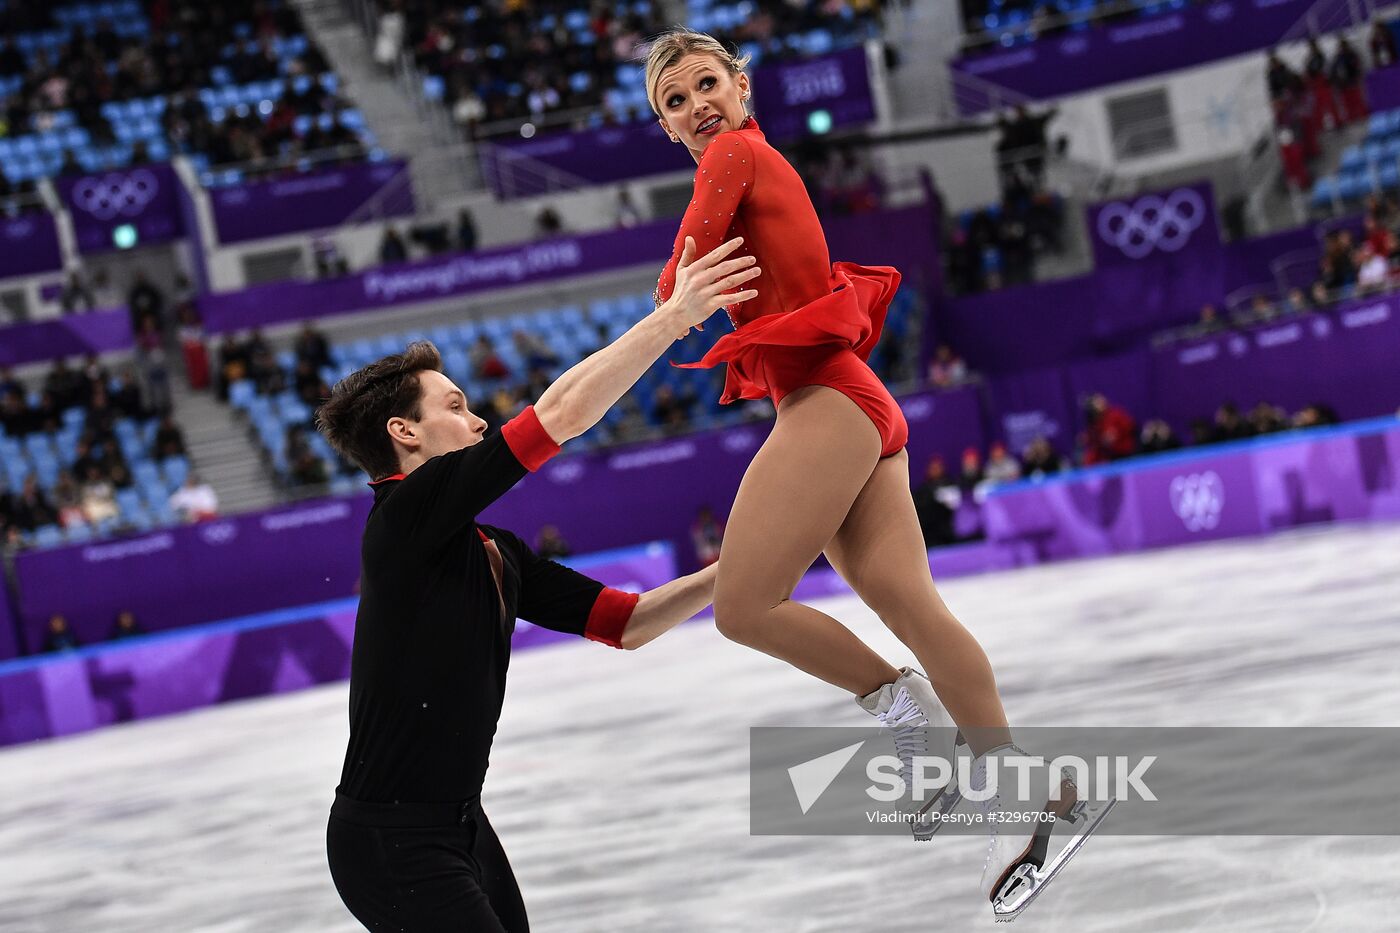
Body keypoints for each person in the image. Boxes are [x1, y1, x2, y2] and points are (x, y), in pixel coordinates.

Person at [646, 30, 1080, 914]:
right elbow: (687, 283)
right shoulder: (740, 158)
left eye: (704, 85)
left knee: (741, 607)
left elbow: (677, 289)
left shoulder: (732, 152)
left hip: (827, 404)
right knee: (910, 603)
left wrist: (675, 297)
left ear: (741, 84)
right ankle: (1033, 794)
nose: (697, 108)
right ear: (665, 127)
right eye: (675, 103)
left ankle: (900, 704)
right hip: (850, 400)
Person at [315, 232, 756, 931]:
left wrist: (749, 563)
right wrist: (673, 317)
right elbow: (563, 415)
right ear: (404, 431)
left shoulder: (494, 549)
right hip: (390, 841)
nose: (478, 418)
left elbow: (628, 620)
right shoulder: (401, 517)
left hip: (461, 827)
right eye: (455, 406)